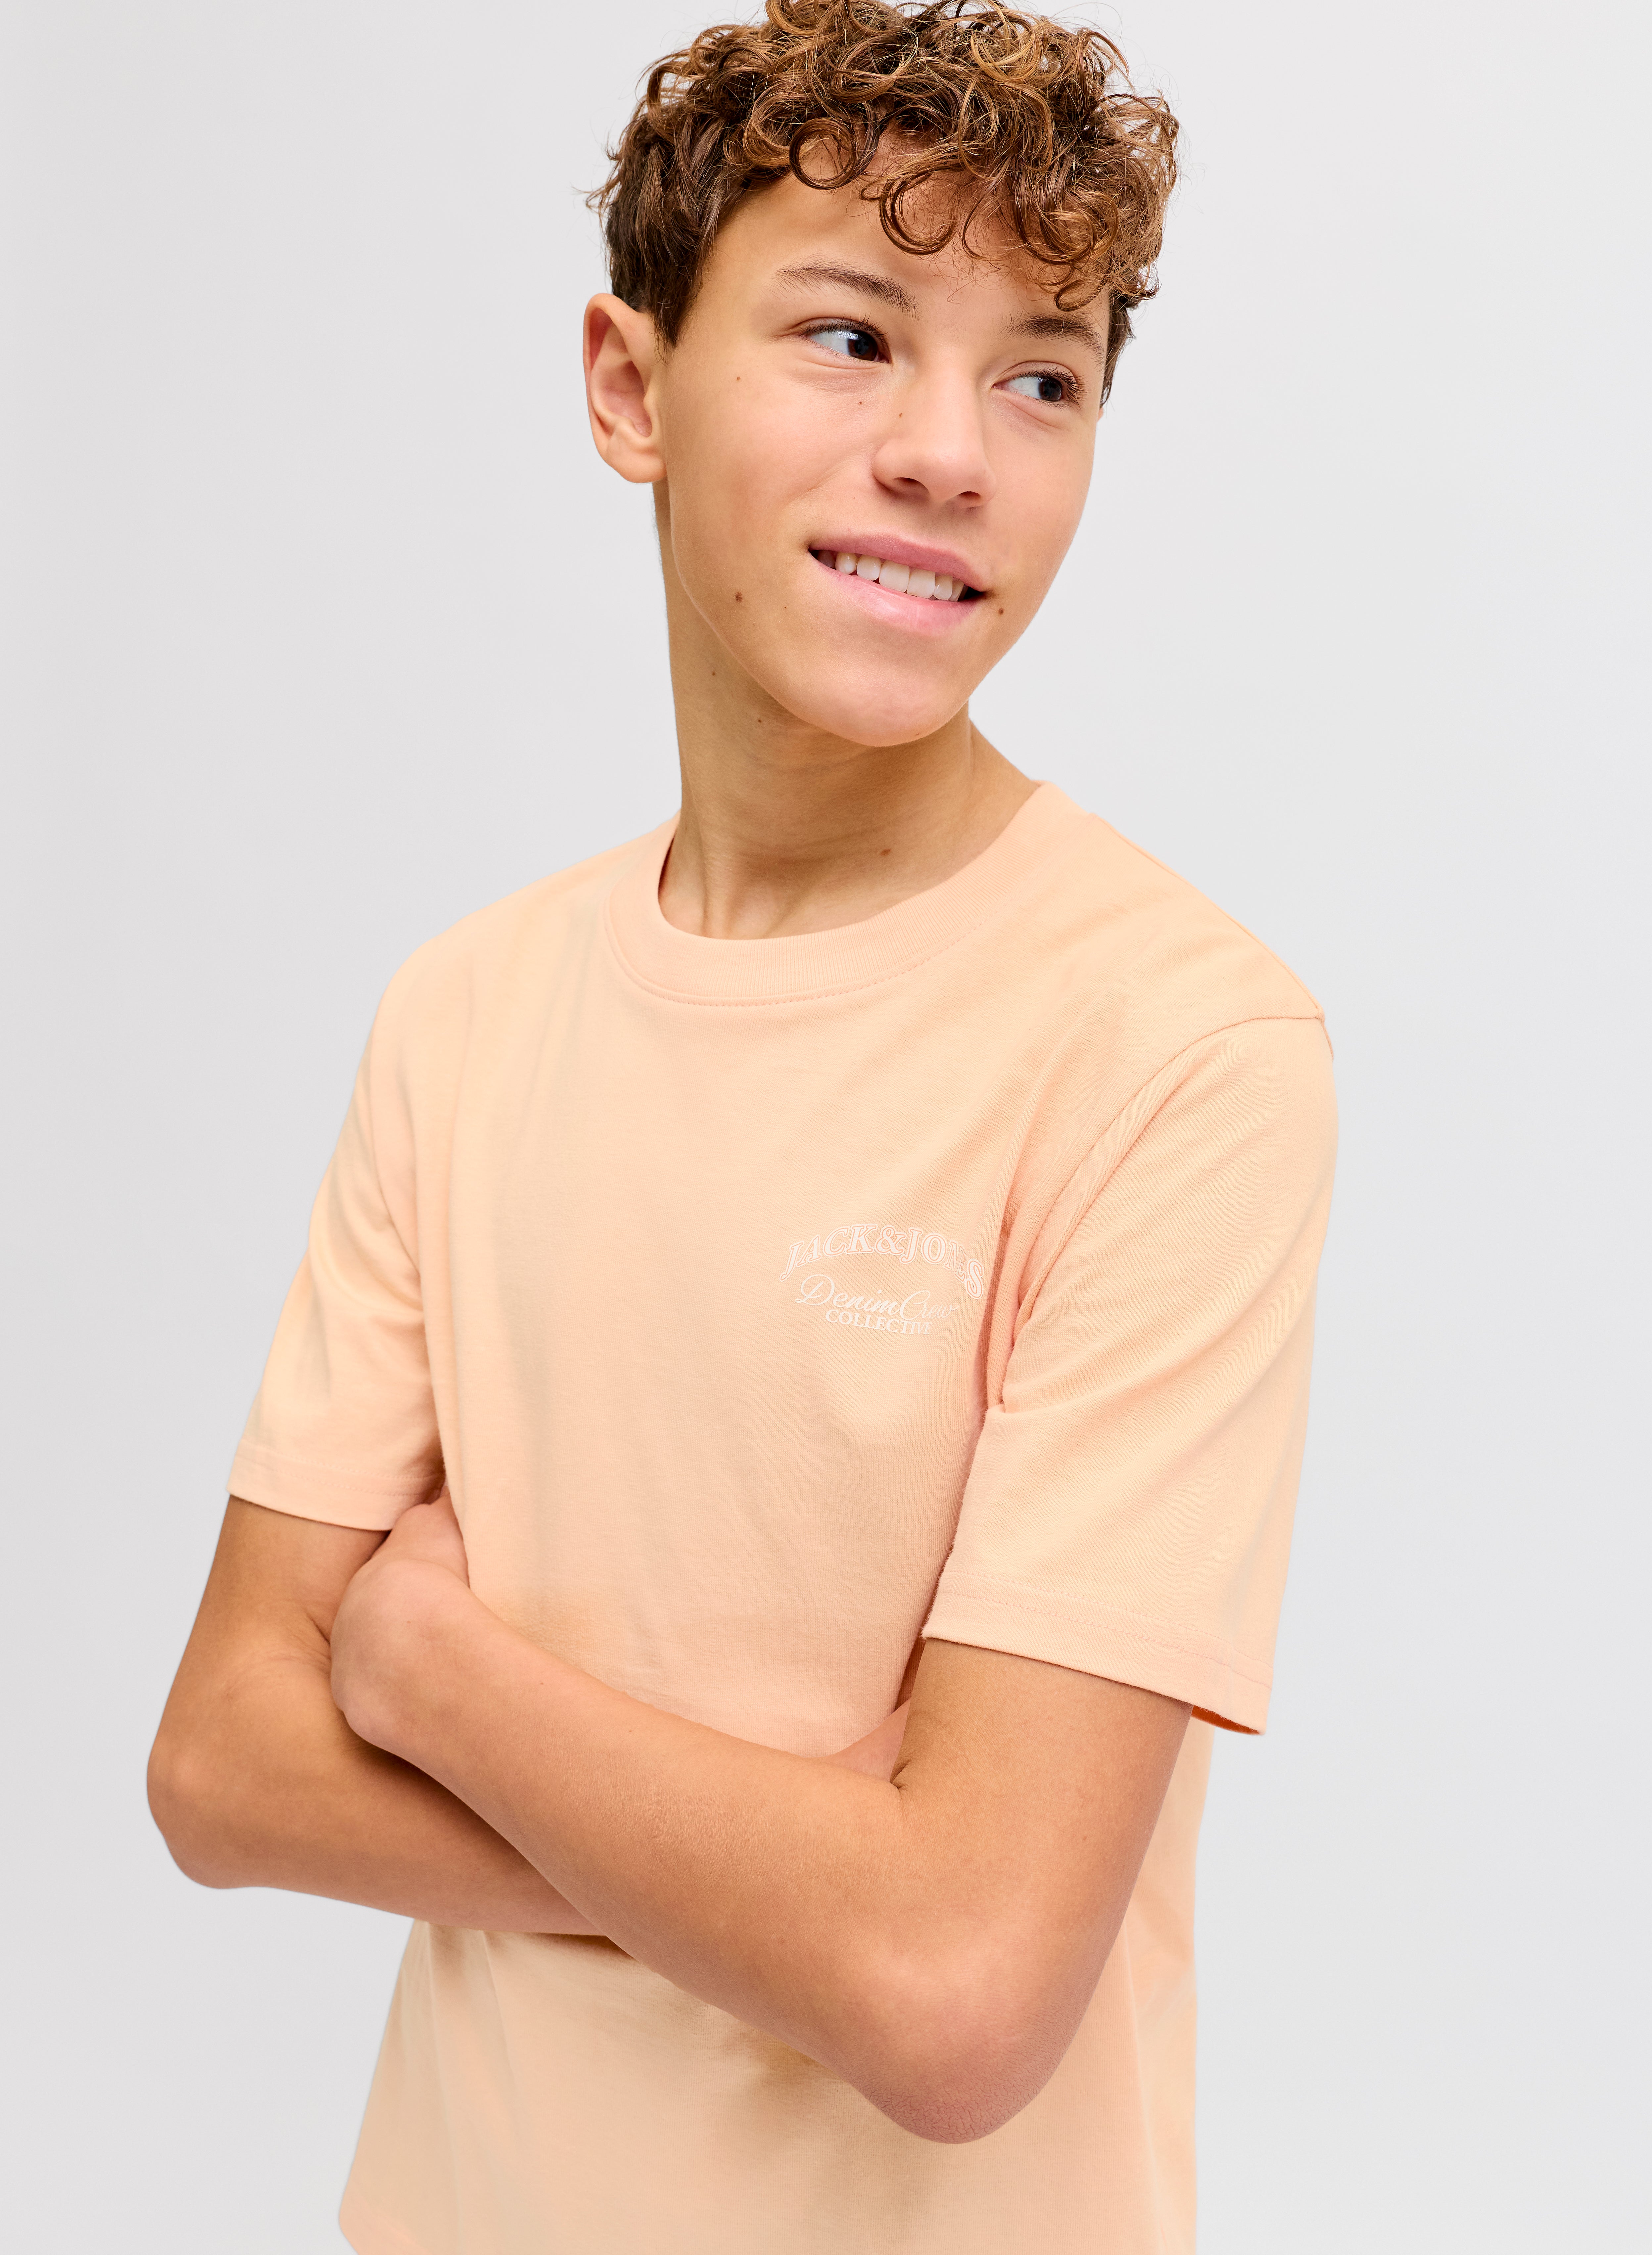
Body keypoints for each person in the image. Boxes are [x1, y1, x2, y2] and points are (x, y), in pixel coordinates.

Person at [148, 4, 1337, 2249]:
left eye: (1042, 377)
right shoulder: (468, 1012)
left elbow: (956, 1995)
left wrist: (430, 1676)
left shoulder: (1177, 1046)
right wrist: (819, 1879)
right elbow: (219, 1767)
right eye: (849, 336)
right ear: (631, 387)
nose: (948, 454)